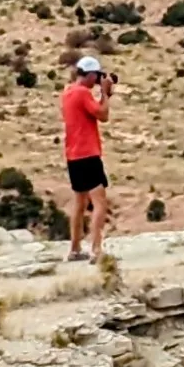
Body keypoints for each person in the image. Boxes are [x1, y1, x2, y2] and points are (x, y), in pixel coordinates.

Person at [60, 54, 115, 261]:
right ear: (90, 74)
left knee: (79, 203)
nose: (98, 79)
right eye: (97, 76)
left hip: (73, 154)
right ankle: (96, 249)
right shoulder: (83, 94)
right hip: (88, 153)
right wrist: (106, 95)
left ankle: (74, 248)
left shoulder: (67, 93)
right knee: (100, 202)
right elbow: (103, 115)